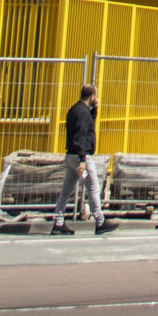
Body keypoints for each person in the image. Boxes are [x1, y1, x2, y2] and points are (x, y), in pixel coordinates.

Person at [51, 81, 113, 236]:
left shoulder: (76, 110)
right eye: (96, 96)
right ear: (92, 96)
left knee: (66, 190)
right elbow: (81, 135)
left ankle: (58, 223)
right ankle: (100, 221)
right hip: (81, 157)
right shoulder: (82, 113)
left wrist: (95, 110)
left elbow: (86, 125)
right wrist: (83, 160)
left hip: (71, 155)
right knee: (93, 187)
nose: (96, 98)